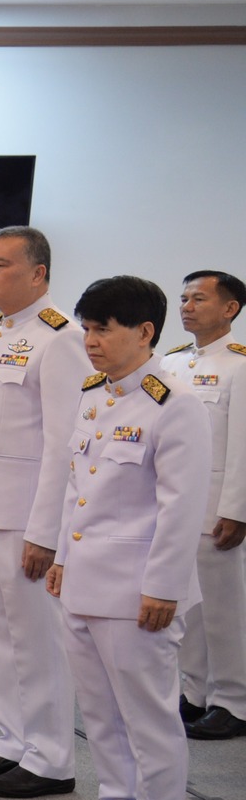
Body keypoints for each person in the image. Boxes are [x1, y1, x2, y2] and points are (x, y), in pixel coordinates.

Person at [45, 276, 210, 800]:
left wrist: (163, 587)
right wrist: (62, 555)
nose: (89, 340)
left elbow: (181, 505)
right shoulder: (96, 394)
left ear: (144, 332)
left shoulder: (176, 403)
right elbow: (77, 491)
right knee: (102, 714)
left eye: (103, 329)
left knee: (149, 718)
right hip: (87, 583)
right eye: (86, 328)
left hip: (139, 592)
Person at [0, 227, 87, 798]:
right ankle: (14, 743)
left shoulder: (60, 339)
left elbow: (62, 445)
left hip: (24, 518)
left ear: (39, 274)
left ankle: (51, 759)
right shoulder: (2, 332)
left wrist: (46, 532)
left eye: (1, 264)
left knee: (36, 641)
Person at [160, 270, 246, 740]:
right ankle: (194, 694)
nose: (187, 306)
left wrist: (236, 509)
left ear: (230, 309)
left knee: (223, 610)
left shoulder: (240, 364)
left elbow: (243, 447)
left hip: (216, 509)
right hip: (177, 506)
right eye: (184, 298)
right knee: (187, 608)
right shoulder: (172, 364)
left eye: (199, 298)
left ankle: (233, 700)